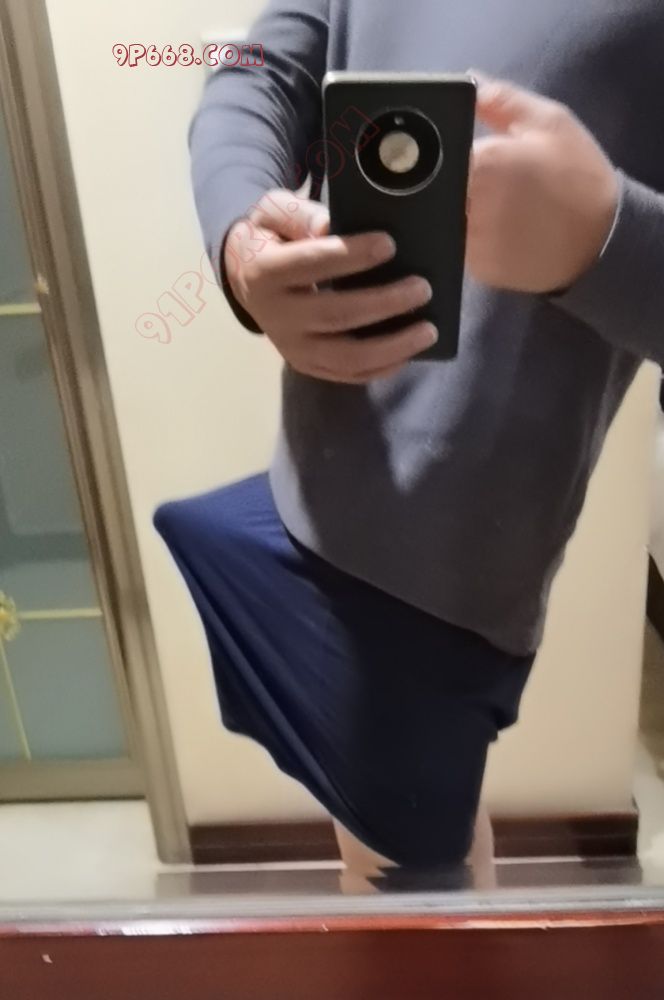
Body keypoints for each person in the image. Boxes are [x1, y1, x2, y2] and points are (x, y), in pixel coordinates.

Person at [155, 0, 664, 879]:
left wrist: (604, 239)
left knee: (407, 883)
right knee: (401, 861)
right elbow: (257, 71)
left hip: (444, 585)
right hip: (308, 498)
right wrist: (240, 236)